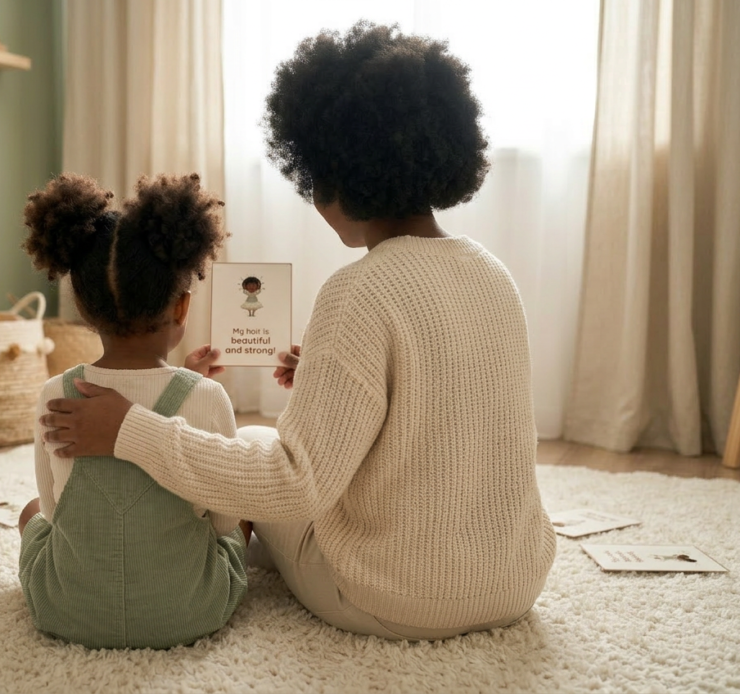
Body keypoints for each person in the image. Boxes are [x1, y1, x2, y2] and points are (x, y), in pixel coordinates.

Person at [40, 21, 556, 641]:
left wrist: (131, 430)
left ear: (338, 177)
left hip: (391, 601)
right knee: (264, 453)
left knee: (258, 446)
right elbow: (444, 415)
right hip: (516, 581)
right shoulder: (493, 274)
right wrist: (322, 374)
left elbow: (291, 485)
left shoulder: (358, 290)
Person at [17, 172, 248, 650]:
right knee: (241, 521)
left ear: (83, 306)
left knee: (32, 513)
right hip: (191, 610)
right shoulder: (207, 398)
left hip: (66, 609)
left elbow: (57, 516)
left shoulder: (53, 392)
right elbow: (224, 523)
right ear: (182, 308)